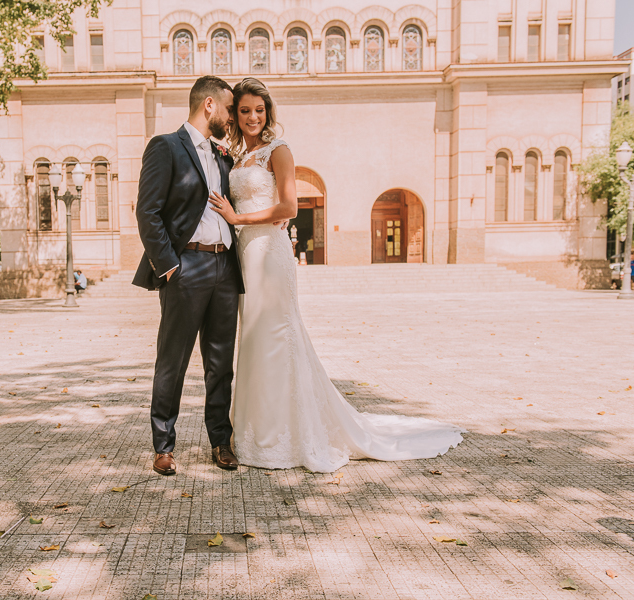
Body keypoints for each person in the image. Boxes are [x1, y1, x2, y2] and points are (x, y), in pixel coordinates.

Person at [208, 78, 465, 473]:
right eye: (245, 111)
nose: (252, 117)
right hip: (245, 255)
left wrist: (237, 218)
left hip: (270, 255)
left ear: (268, 112)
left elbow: (290, 207)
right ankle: (257, 432)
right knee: (254, 339)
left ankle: (283, 436)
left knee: (275, 337)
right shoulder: (238, 156)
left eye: (259, 110)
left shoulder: (279, 150)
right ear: (236, 114)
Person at [132, 76, 242, 476]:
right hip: (186, 266)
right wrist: (169, 265)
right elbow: (147, 211)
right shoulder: (166, 146)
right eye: (229, 109)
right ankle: (163, 446)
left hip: (225, 268)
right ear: (209, 105)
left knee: (221, 363)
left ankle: (220, 442)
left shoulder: (223, 156)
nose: (231, 118)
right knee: (173, 360)